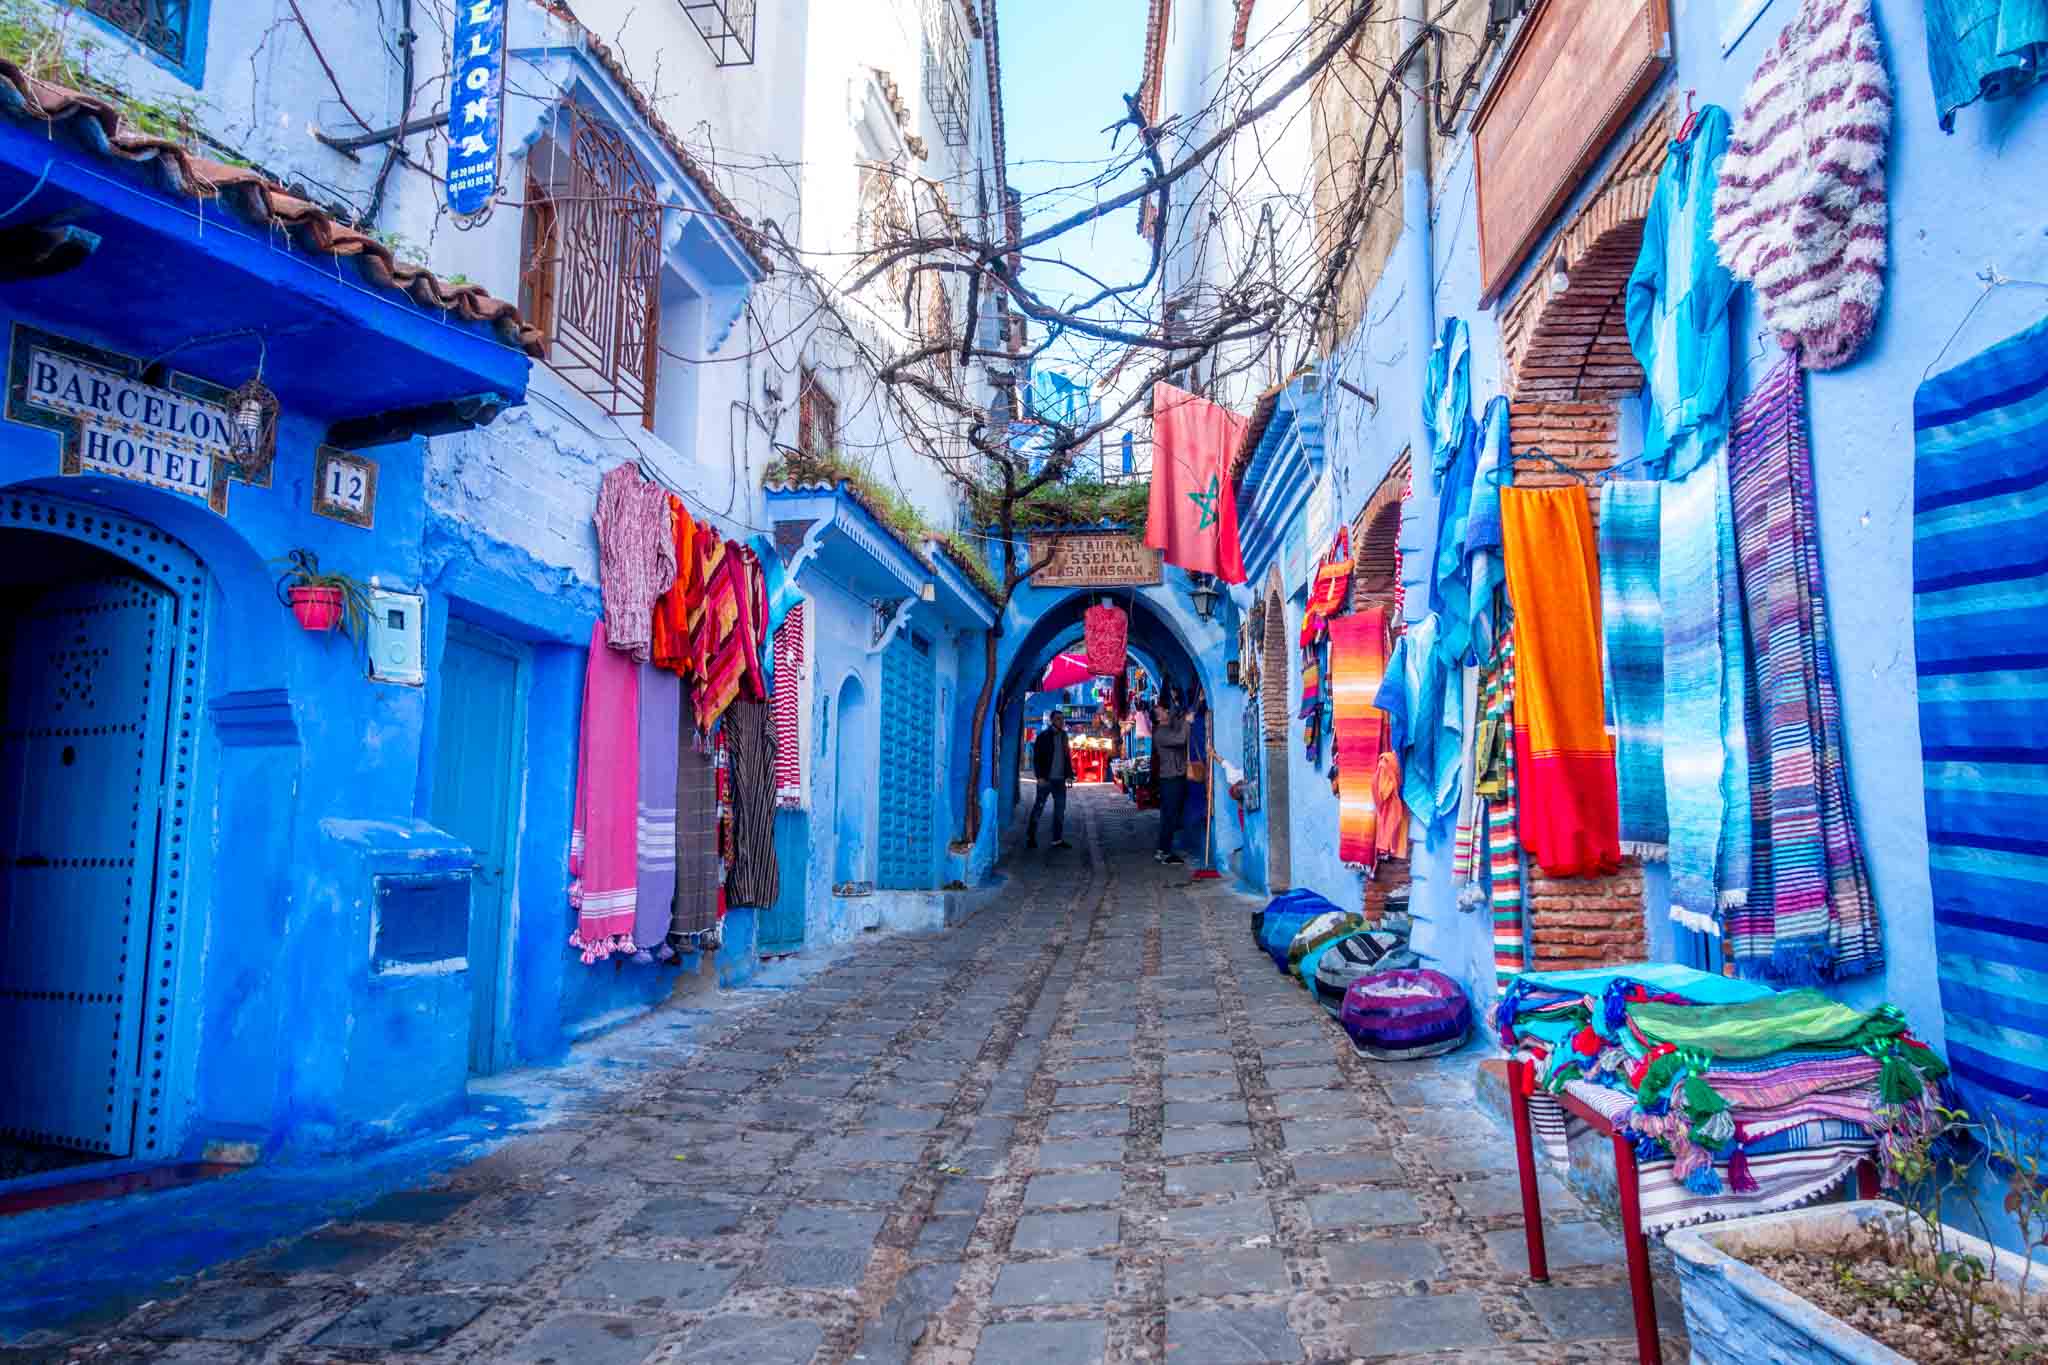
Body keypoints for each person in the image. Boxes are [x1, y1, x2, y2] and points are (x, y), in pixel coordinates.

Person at [1028, 708, 1074, 850]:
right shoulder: (1043, 736)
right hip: (1046, 779)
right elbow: (1036, 758)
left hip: (1060, 780)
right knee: (1038, 808)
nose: (1062, 721)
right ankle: (1031, 837)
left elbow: (1067, 757)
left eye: (1062, 719)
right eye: (1059, 719)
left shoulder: (1064, 736)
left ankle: (1057, 839)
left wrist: (1069, 775)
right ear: (1052, 720)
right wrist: (1039, 777)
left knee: (1060, 811)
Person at [1153, 700, 1191, 864]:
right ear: (1159, 717)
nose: (1167, 712)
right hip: (1171, 778)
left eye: (1166, 710)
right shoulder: (1161, 733)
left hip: (1173, 776)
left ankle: (1163, 850)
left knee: (1170, 814)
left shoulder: (1167, 727)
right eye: (1163, 711)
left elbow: (1176, 715)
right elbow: (1181, 739)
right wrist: (1188, 723)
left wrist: (1176, 701)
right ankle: (1164, 852)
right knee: (1170, 815)